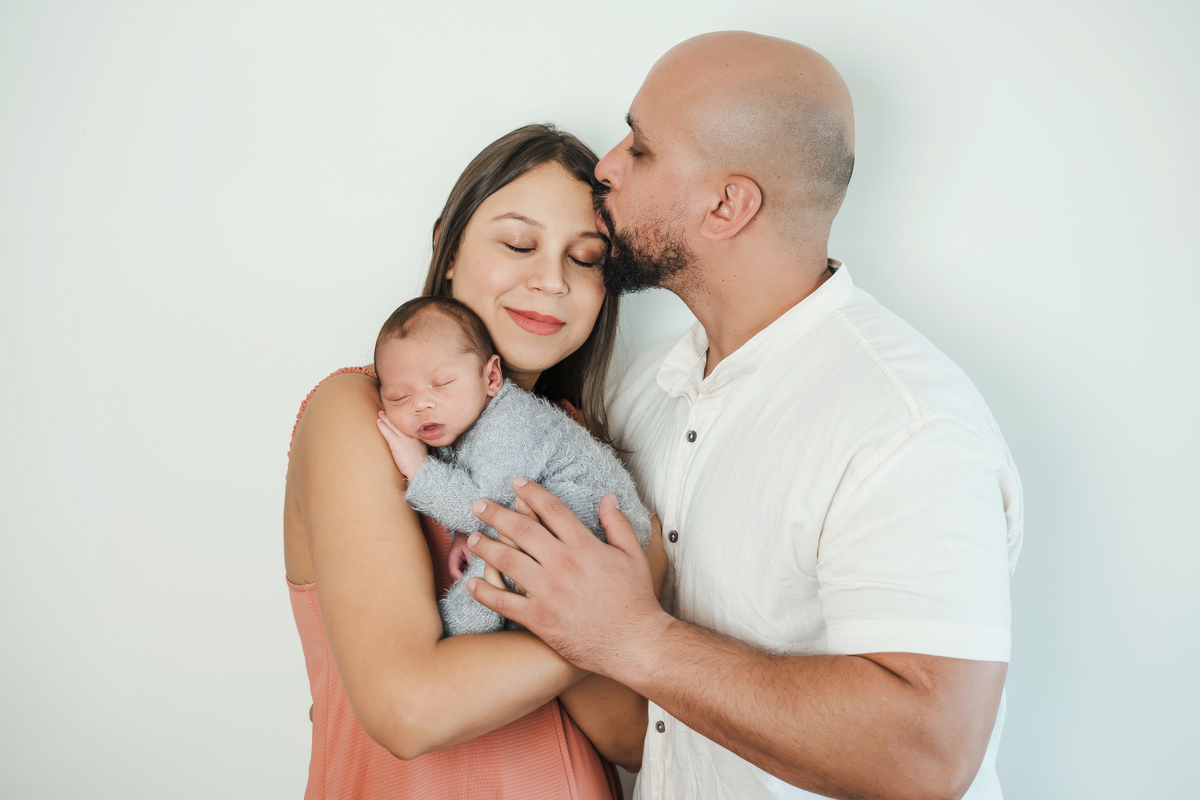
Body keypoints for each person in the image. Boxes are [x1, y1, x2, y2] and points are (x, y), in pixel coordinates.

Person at [464, 32, 1023, 800]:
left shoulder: (905, 422)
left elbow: (928, 754)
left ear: (728, 205)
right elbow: (644, 729)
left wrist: (635, 640)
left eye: (644, 149)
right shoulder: (647, 396)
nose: (607, 166)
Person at [284, 124, 664, 800]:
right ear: (447, 247)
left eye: (585, 258)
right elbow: (409, 708)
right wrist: (614, 621)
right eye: (519, 243)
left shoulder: (579, 450)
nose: (551, 280)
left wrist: (610, 624)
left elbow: (629, 735)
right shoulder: (357, 415)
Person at [371, 295, 652, 636]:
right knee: (501, 557)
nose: (421, 405)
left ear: (491, 377)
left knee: (493, 574)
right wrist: (466, 533)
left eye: (442, 384)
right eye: (400, 397)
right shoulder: (460, 422)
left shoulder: (512, 421)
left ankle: (450, 642)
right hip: (556, 529)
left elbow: (486, 508)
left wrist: (419, 468)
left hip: (599, 527)